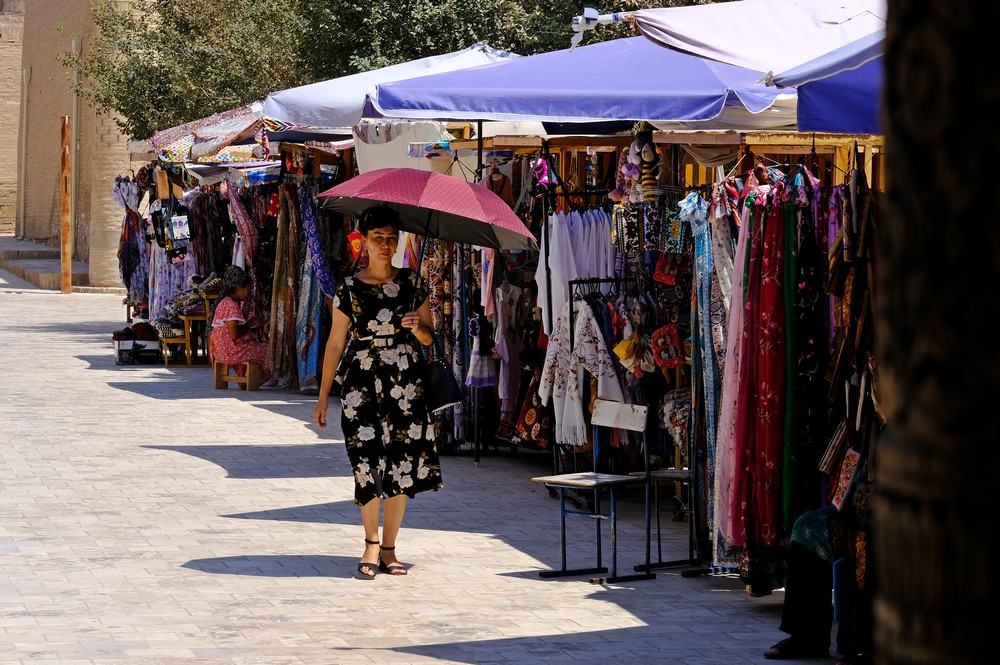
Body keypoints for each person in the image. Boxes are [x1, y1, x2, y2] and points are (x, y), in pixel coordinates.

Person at [313, 206, 443, 579]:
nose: (385, 245)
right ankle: (370, 543)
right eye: (378, 238)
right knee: (366, 463)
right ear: (364, 242)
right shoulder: (350, 288)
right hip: (361, 385)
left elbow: (429, 338)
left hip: (406, 384)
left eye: (391, 238)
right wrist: (324, 396)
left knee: (402, 465)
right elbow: (335, 344)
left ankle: (389, 548)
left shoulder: (413, 283)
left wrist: (417, 327)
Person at [208, 265, 271, 385]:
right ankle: (254, 381)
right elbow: (234, 335)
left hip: (220, 351)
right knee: (270, 351)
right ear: (238, 287)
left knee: (256, 345)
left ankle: (245, 381)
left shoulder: (224, 302)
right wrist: (250, 324)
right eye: (247, 288)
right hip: (230, 352)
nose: (249, 293)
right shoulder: (231, 306)